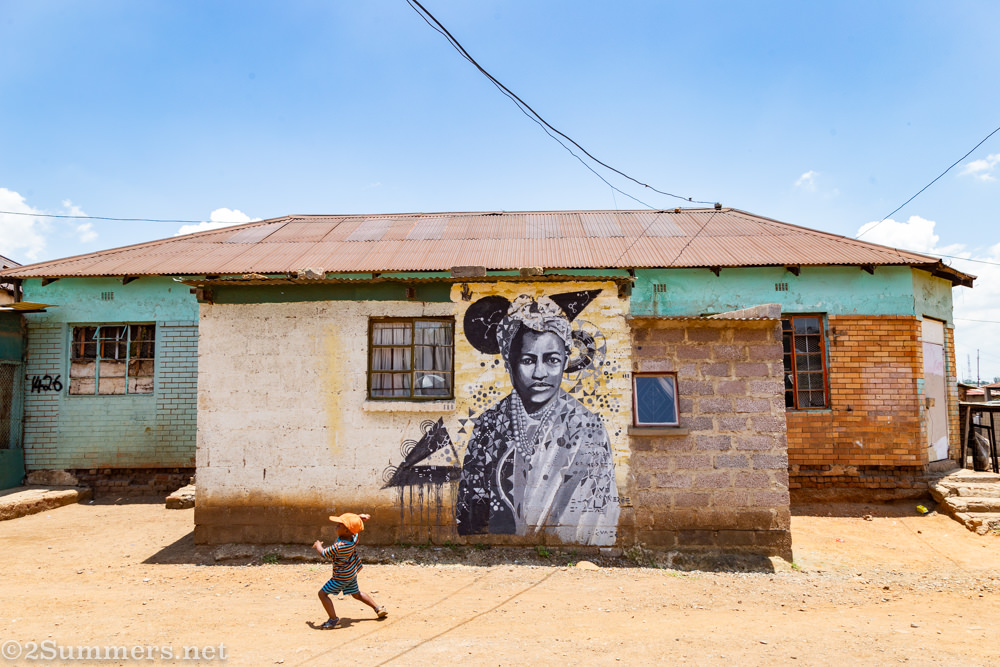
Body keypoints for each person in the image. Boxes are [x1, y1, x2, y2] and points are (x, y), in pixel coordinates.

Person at [455, 295, 619, 545]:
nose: (540, 373)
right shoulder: (489, 424)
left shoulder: (586, 428)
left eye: (552, 360)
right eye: (528, 360)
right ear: (510, 364)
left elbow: (594, 516)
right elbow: (471, 511)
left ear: (565, 360)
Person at [312, 512, 388, 629]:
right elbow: (356, 530)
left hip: (340, 577)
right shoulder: (352, 539)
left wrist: (318, 545)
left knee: (322, 594)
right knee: (356, 594)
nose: (336, 526)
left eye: (339, 525)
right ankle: (378, 608)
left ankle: (333, 620)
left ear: (347, 531)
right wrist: (358, 518)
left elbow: (324, 553)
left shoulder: (339, 546)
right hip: (351, 574)